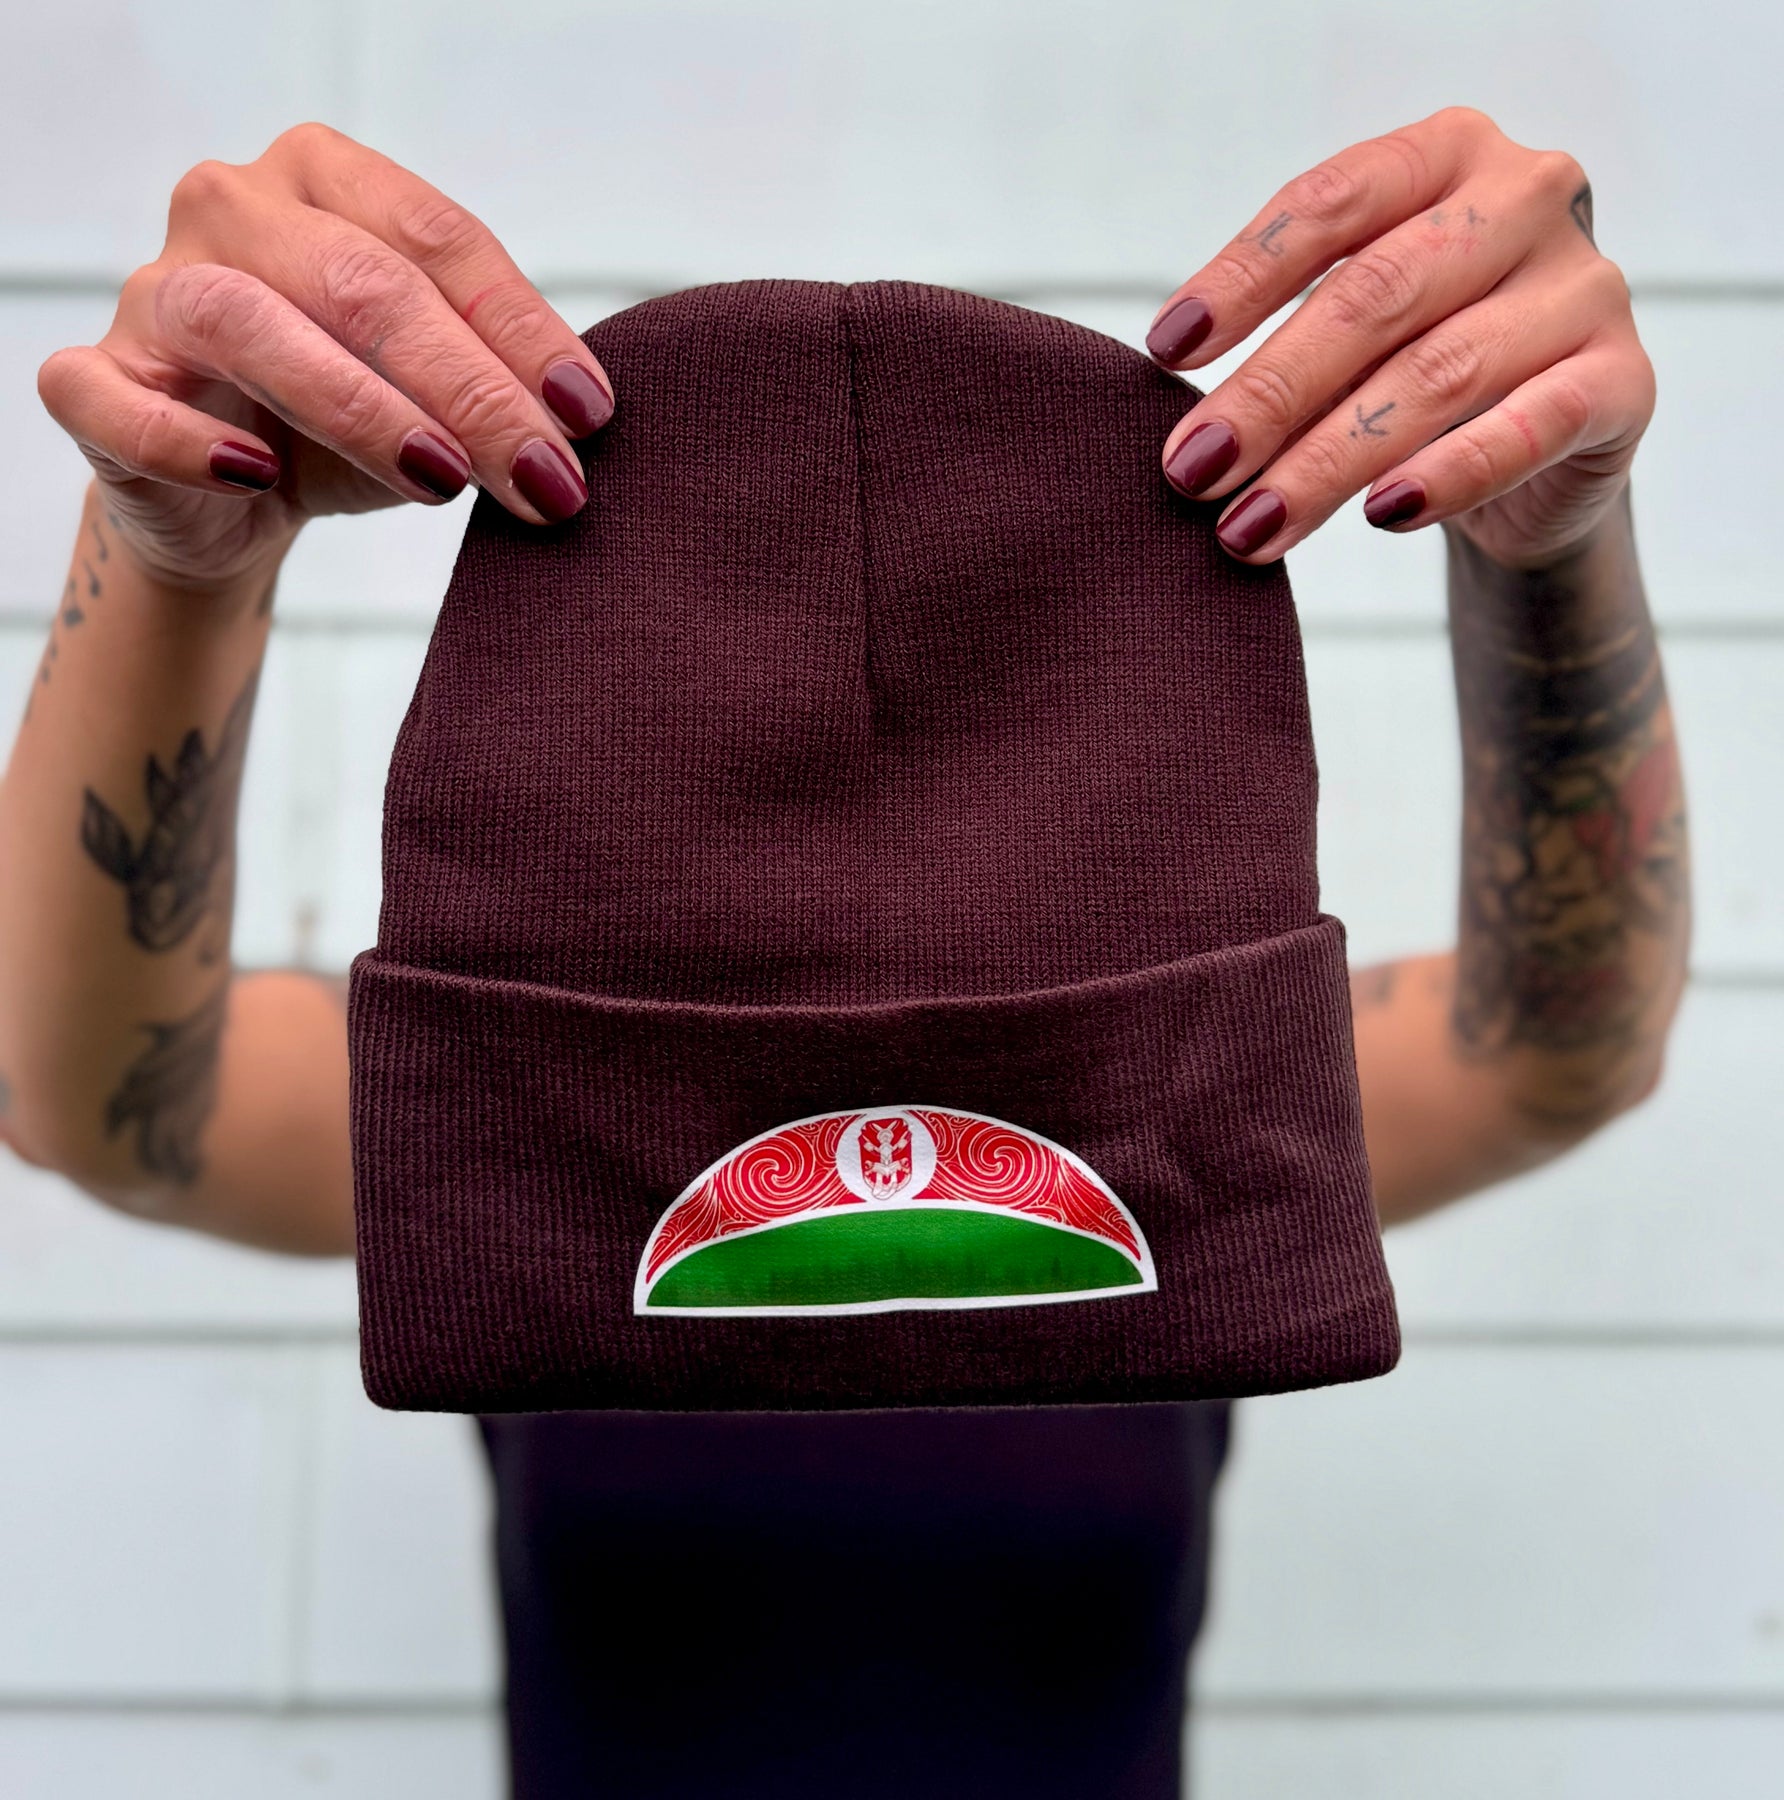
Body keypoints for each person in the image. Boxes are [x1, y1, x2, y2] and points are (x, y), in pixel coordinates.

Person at [0, 105, 1690, 1799]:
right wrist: (170, 557)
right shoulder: (523, 1118)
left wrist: (1549, 543)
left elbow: (1556, 1047)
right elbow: (87, 1098)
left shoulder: (1186, 1107)